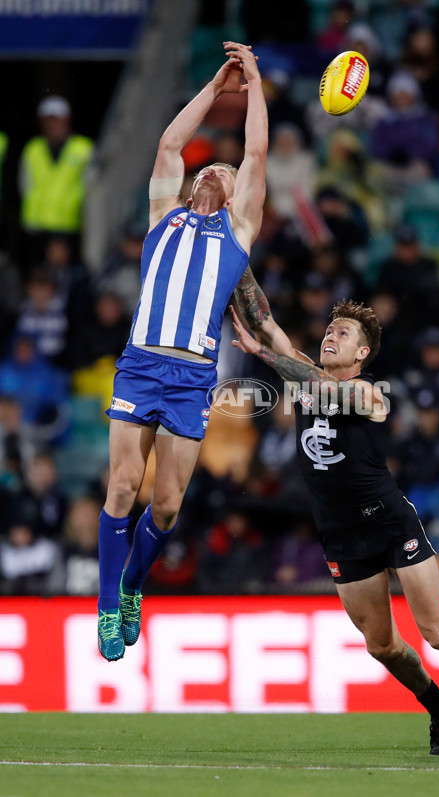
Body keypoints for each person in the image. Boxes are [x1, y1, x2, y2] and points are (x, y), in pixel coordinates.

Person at [229, 280, 439, 755]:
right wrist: (239, 265)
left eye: (344, 332)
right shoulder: (306, 375)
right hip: (341, 536)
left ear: (362, 352)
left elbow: (299, 373)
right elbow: (266, 323)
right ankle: (438, 704)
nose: (331, 335)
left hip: (389, 522)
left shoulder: (370, 394)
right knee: (382, 646)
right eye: (330, 328)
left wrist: (264, 355)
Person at [96, 42, 268, 661]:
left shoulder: (238, 230)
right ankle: (107, 604)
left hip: (192, 375)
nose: (214, 171)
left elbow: (256, 152)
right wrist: (216, 88)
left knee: (165, 505)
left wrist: (253, 83)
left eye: (223, 171)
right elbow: (169, 144)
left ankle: (136, 583)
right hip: (142, 360)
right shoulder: (163, 215)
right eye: (207, 169)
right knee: (122, 486)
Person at [18, 96, 94, 266]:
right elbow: (24, 184)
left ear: (67, 119)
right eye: (49, 120)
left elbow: (92, 188)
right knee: (38, 277)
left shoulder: (83, 148)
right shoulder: (33, 148)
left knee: (65, 278)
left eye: (57, 119)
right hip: (36, 226)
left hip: (68, 225)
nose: (53, 125)